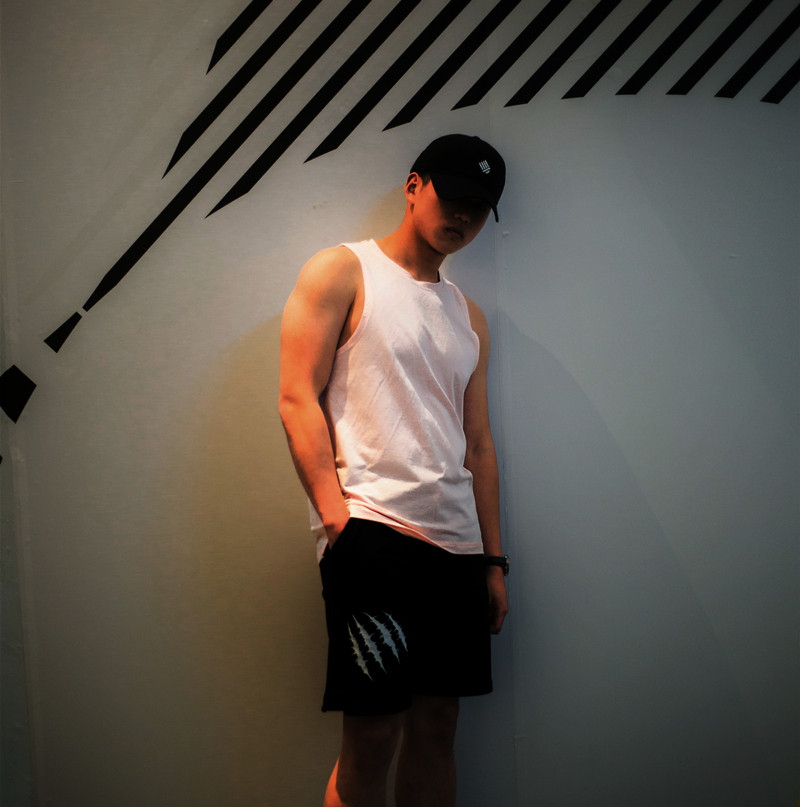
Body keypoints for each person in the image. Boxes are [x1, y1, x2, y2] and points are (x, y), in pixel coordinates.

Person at [279, 133, 509, 807]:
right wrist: (337, 521)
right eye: (452, 196)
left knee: (437, 729)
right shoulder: (342, 270)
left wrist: (494, 561)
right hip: (373, 535)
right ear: (414, 186)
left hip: (458, 550)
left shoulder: (467, 316)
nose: (462, 216)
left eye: (478, 207)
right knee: (373, 733)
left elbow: (478, 443)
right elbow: (296, 397)